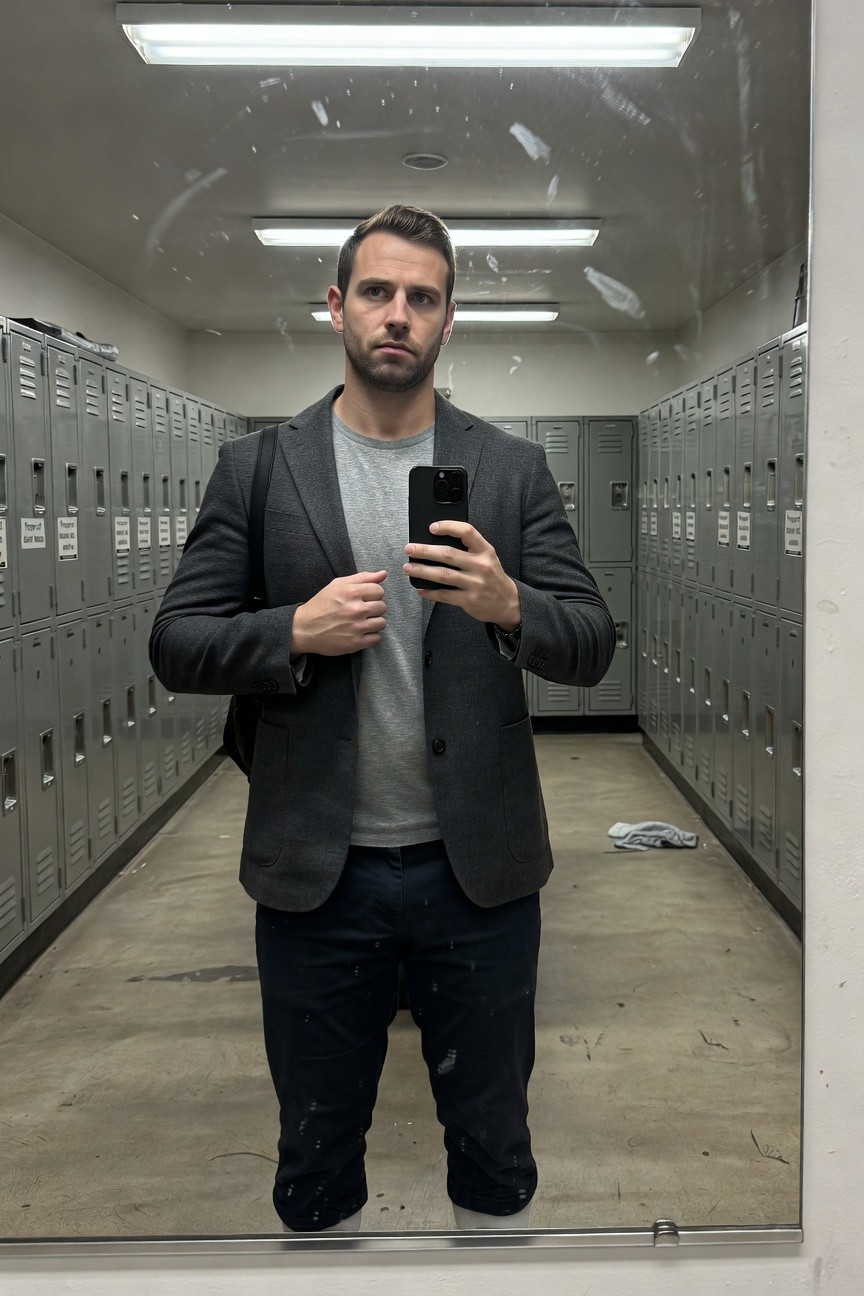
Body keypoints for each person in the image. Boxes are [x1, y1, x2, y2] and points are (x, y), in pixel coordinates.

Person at [149, 204, 616, 1234]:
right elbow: (176, 641)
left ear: (450, 321)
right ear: (336, 308)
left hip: (478, 874)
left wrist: (511, 607)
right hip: (320, 875)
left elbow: (592, 641)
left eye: (422, 296)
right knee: (315, 1154)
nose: (396, 314)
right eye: (376, 291)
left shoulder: (511, 471)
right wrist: (293, 631)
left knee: (494, 1149)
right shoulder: (259, 470)